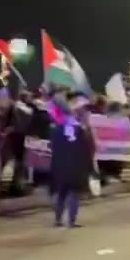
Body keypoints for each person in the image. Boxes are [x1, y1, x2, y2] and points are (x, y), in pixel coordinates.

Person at [50, 97, 94, 228]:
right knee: (74, 194)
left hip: (60, 167)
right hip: (76, 167)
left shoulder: (56, 130)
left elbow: (53, 149)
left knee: (61, 194)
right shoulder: (79, 130)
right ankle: (71, 221)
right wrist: (89, 167)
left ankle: (58, 220)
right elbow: (86, 149)